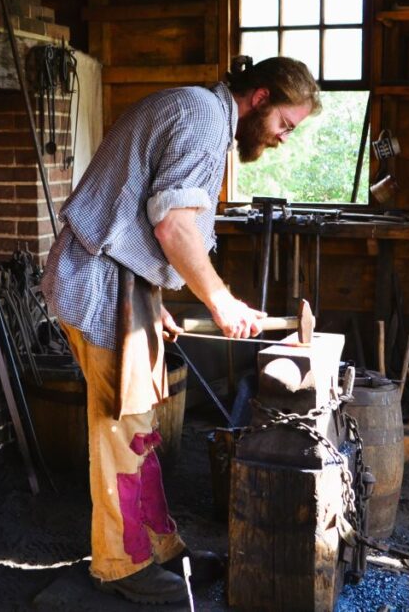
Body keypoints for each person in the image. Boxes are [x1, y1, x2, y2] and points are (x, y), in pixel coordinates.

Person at [41, 55, 321, 604]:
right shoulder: (200, 117)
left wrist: (154, 303)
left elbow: (146, 216)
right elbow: (172, 225)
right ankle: (122, 567)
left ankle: (159, 545)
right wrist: (221, 301)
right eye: (285, 124)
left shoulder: (203, 115)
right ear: (260, 98)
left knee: (141, 426)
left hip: (124, 282)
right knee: (121, 427)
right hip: (98, 280)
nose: (284, 138)